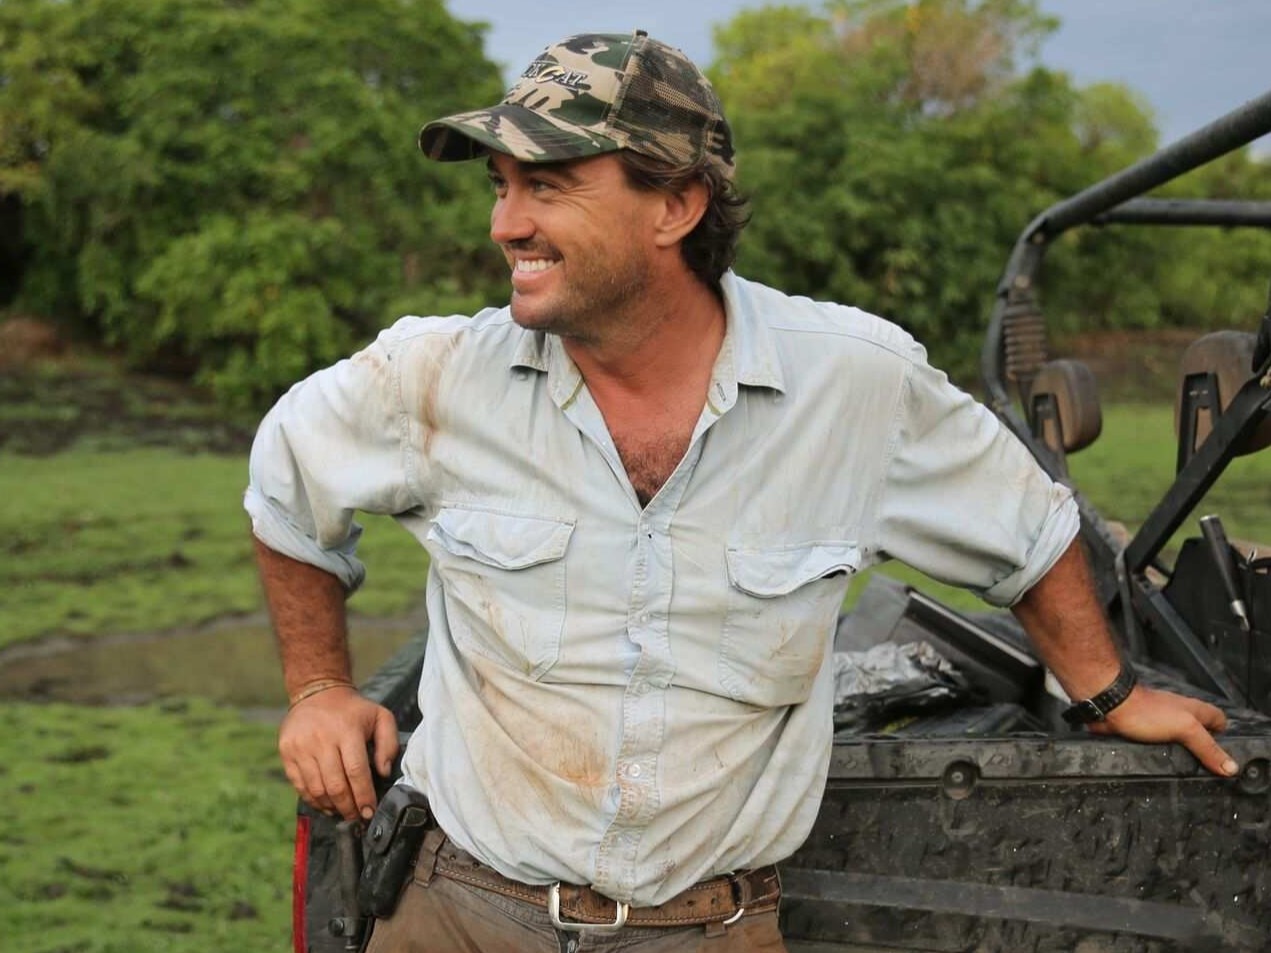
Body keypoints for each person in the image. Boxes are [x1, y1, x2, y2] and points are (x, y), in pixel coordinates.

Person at [245, 29, 1237, 952]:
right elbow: (288, 487)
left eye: (545, 186)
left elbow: (1027, 529)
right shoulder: (432, 373)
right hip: (457, 910)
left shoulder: (851, 383)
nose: (507, 224)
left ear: (675, 205)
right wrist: (320, 689)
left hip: (709, 927)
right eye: (500, 187)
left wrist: (1107, 690)